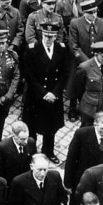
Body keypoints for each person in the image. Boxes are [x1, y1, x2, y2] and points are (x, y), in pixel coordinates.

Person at [21, 22, 68, 162]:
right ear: (42, 34)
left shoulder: (61, 49)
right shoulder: (32, 49)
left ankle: (48, 151)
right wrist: (43, 93)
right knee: (32, 126)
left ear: (55, 36)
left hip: (54, 95)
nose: (48, 39)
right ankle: (31, 152)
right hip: (35, 95)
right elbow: (28, 74)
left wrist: (55, 92)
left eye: (51, 36)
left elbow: (65, 73)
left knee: (51, 126)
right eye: (46, 35)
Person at [63, 112, 103, 202]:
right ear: (95, 124)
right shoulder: (82, 134)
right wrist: (68, 184)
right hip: (84, 182)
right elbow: (71, 159)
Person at [72, 41, 103, 126]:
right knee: (87, 133)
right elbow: (79, 88)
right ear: (96, 54)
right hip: (90, 109)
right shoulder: (84, 67)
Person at [0, 121, 36, 188]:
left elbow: (34, 162)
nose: (26, 142)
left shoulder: (31, 142)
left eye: (27, 138)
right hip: (10, 185)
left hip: (26, 183)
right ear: (14, 136)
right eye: (23, 139)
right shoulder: (2, 147)